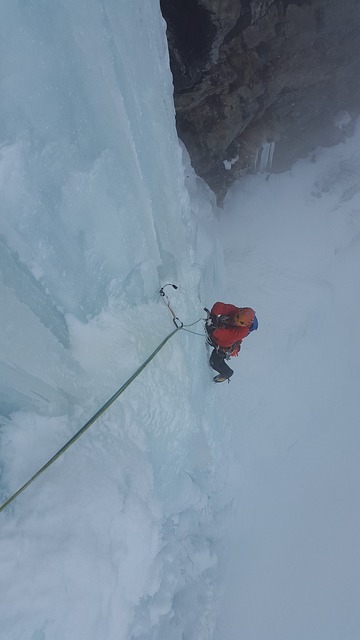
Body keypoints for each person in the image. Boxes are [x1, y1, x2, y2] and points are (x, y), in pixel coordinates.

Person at [205, 302, 258, 383]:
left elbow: (225, 335)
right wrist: (214, 315)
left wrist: (213, 330)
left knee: (214, 362)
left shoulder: (242, 332)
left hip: (223, 346)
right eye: (236, 318)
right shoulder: (235, 310)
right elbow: (219, 306)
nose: (234, 322)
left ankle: (227, 373)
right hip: (219, 334)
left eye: (238, 322)